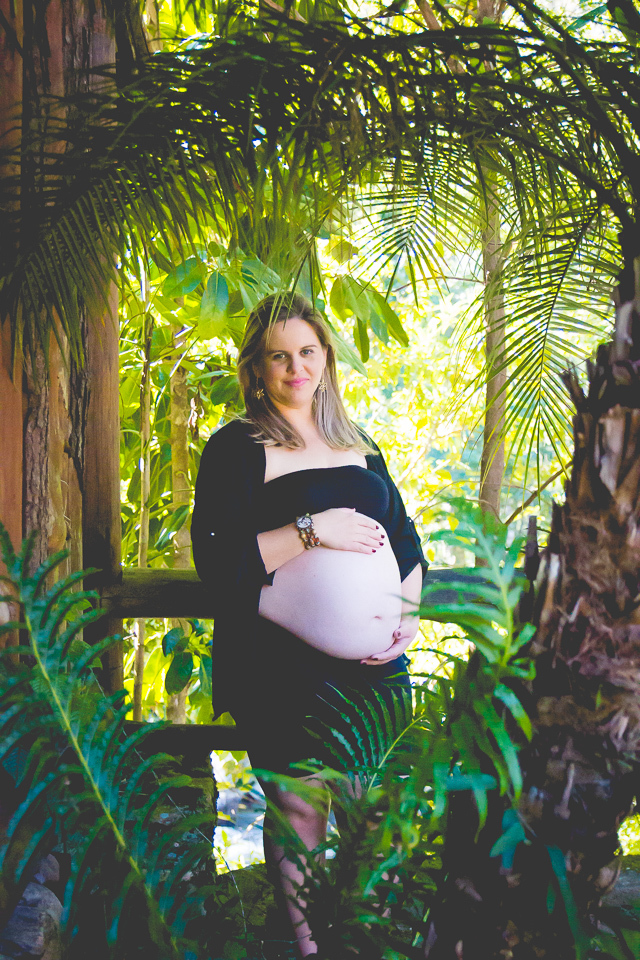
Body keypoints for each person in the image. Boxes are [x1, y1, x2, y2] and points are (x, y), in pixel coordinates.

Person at [191, 292, 427, 957]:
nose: (296, 368)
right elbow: (218, 561)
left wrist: (407, 613)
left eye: (307, 352)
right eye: (279, 357)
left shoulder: (359, 444)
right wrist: (311, 530)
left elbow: (407, 540)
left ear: (325, 358)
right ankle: (309, 949)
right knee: (301, 808)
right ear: (256, 367)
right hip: (281, 664)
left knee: (377, 810)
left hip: (378, 669)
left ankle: (366, 942)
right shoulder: (236, 448)